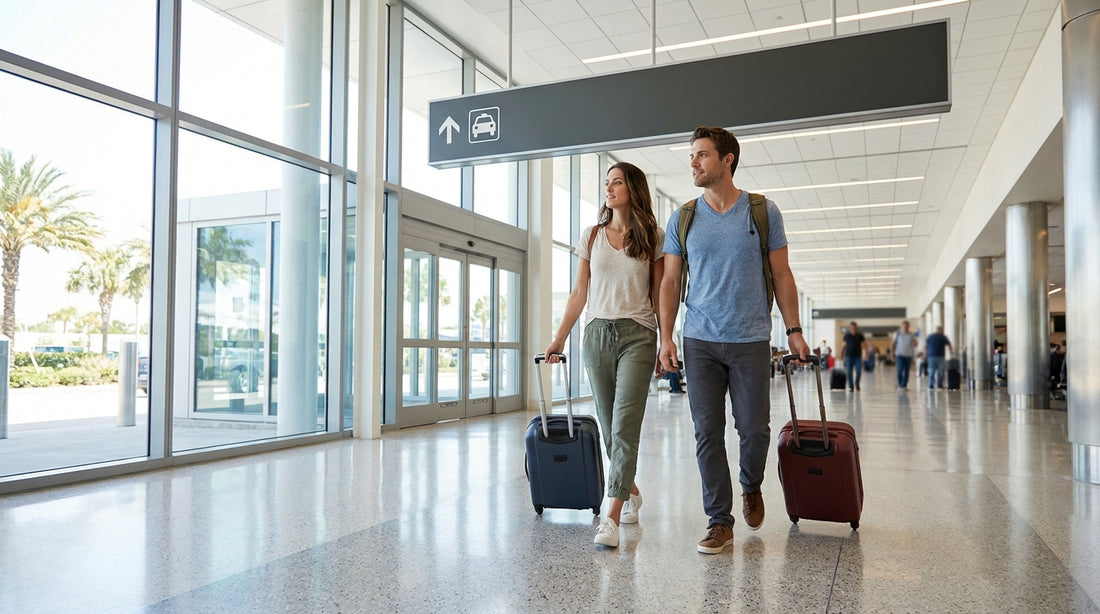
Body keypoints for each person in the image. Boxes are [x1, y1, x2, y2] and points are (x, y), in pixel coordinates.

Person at [657, 126, 809, 555]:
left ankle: (751, 484)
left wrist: (794, 330)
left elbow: (782, 274)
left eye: (701, 155)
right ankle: (718, 520)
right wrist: (666, 337)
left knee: (754, 429)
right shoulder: (683, 217)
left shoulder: (762, 211)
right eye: (691, 156)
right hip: (699, 339)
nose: (693, 163)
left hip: (750, 339)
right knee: (707, 431)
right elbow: (670, 281)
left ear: (727, 160)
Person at [543, 161, 664, 549]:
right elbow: (579, 292)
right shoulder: (591, 236)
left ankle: (610, 517)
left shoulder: (654, 236)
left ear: (634, 189)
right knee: (610, 423)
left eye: (617, 182)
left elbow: (661, 294)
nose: (609, 188)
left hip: (638, 335)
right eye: (606, 182)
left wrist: (667, 340)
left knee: (625, 425)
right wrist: (559, 337)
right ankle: (629, 490)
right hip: (595, 334)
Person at [842, 322, 868, 391]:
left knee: (858, 371)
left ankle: (857, 384)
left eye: (855, 328)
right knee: (849, 372)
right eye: (852, 328)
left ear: (857, 328)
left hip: (857, 357)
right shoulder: (847, 336)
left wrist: (866, 354)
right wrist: (842, 356)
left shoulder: (860, 335)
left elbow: (864, 345)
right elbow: (843, 346)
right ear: (850, 328)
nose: (853, 329)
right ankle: (851, 386)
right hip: (848, 356)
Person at [892, 320, 918, 389]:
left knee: (906, 370)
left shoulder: (911, 334)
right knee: (900, 370)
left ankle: (904, 385)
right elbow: (893, 343)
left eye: (907, 327)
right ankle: (900, 384)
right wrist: (892, 352)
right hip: (899, 354)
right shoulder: (897, 334)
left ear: (909, 327)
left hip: (908, 355)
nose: (905, 328)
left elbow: (915, 342)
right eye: (904, 326)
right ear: (902, 326)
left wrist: (915, 343)